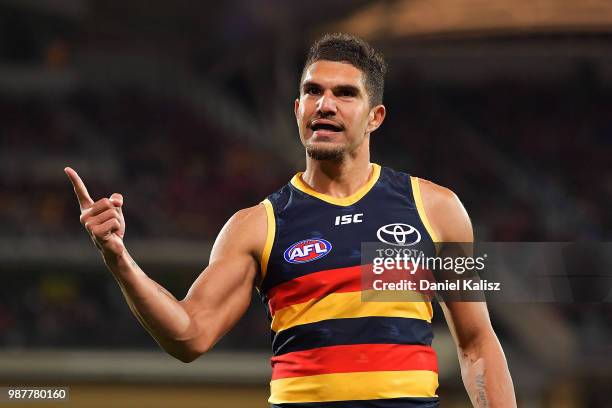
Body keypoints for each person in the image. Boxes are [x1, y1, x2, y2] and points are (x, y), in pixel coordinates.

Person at [65, 33, 516, 407]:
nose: (325, 104)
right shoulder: (257, 226)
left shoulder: (438, 210)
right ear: (297, 110)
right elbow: (190, 335)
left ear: (375, 116)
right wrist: (120, 260)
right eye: (313, 92)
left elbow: (476, 343)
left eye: (345, 93)